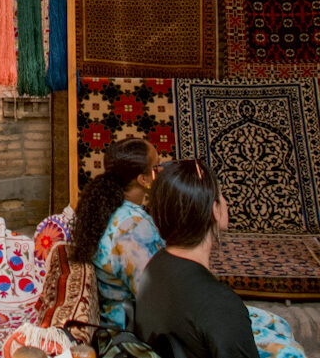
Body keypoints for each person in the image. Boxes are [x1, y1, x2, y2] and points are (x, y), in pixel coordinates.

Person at [136, 159, 305, 358]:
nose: (226, 202)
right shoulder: (220, 306)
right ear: (214, 210)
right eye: (221, 195)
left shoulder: (155, 265)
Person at [70, 137, 163, 328]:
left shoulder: (107, 209)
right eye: (157, 166)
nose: (162, 171)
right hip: (132, 331)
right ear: (143, 179)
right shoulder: (132, 227)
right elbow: (157, 296)